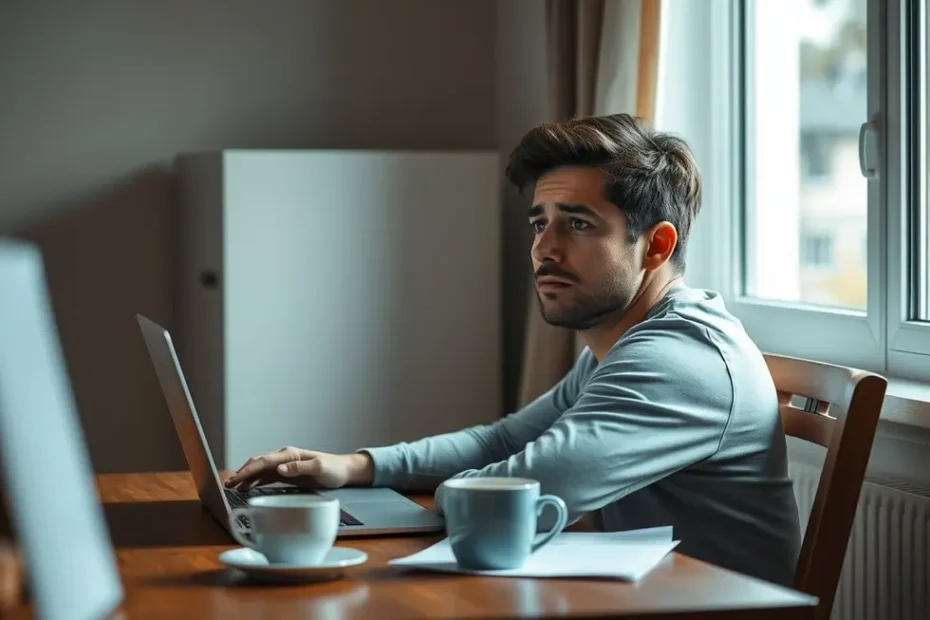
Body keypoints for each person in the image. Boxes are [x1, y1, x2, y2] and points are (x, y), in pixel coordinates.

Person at [225, 113, 802, 586]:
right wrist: (355, 467)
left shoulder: (678, 360)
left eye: (577, 224)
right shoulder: (628, 342)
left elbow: (523, 487)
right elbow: (503, 440)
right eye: (539, 223)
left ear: (656, 246)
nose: (544, 249)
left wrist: (427, 497)